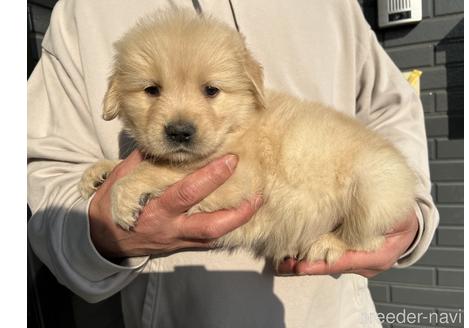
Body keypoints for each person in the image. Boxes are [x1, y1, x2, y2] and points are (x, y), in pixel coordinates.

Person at [27, 0, 439, 327]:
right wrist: (95, 230)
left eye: (211, 90)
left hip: (335, 311)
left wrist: (411, 219)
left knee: (377, 185)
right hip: (183, 316)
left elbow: (391, 109)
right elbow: (43, 165)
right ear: (116, 91)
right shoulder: (83, 10)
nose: (180, 123)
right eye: (151, 89)